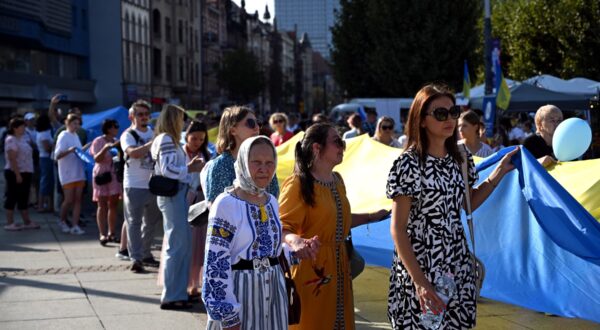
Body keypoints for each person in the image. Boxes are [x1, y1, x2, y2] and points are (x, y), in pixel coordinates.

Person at [386, 83, 518, 329]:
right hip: (420, 267)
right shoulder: (408, 164)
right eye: (440, 113)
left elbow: (468, 204)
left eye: (453, 111)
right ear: (422, 120)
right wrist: (420, 283)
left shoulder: (461, 158)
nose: (450, 119)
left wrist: (497, 174)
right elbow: (398, 229)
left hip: (457, 266)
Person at [278, 123, 388, 329]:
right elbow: (282, 227)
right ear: (317, 148)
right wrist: (296, 241)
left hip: (340, 267)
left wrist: (372, 217)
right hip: (312, 270)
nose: (343, 147)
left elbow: (339, 221)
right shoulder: (298, 184)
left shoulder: (337, 180)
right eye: (337, 142)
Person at [202, 136, 289, 329]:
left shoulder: (271, 202)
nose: (264, 169)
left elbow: (271, 252)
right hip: (240, 297)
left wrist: (296, 251)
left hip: (273, 295)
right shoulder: (226, 204)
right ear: (242, 162)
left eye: (269, 163)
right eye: (256, 162)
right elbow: (216, 262)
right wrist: (228, 314)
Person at [151, 104, 205, 310]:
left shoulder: (169, 140)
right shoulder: (165, 139)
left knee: (182, 245)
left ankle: (179, 292)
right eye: (181, 118)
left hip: (177, 194)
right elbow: (167, 169)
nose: (183, 123)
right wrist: (189, 168)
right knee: (177, 245)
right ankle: (172, 295)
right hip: (172, 194)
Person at [120, 99, 162, 272]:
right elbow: (133, 153)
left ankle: (146, 254)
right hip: (134, 185)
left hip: (152, 184)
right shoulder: (128, 134)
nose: (144, 117)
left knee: (150, 223)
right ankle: (136, 258)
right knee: (134, 223)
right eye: (140, 114)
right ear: (132, 116)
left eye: (146, 114)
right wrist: (151, 145)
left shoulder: (154, 133)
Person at [206, 106, 279, 203]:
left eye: (258, 123)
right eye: (250, 123)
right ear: (233, 130)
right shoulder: (220, 165)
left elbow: (273, 197)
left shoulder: (265, 160)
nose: (257, 127)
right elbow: (217, 208)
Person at [3, 117, 40, 231]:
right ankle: (10, 222)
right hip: (15, 172)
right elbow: (12, 158)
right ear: (15, 128)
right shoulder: (11, 140)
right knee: (12, 196)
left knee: (23, 197)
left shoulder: (23, 138)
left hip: (26, 171)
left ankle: (27, 221)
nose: (24, 128)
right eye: (22, 126)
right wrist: (17, 174)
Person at [90, 119, 122, 245]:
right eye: (115, 126)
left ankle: (112, 233)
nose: (117, 129)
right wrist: (104, 149)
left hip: (114, 174)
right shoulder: (98, 141)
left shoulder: (116, 141)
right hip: (102, 174)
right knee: (102, 204)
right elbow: (97, 159)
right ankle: (102, 234)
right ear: (108, 128)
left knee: (113, 205)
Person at [54, 114, 86, 235]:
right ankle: (62, 220)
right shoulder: (63, 135)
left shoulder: (76, 135)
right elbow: (57, 156)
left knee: (78, 200)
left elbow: (78, 151)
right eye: (74, 123)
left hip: (78, 172)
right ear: (67, 123)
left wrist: (86, 148)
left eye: (78, 124)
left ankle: (75, 224)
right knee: (68, 200)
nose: (76, 126)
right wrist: (70, 150)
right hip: (67, 173)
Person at [35, 114, 55, 212]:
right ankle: (41, 205)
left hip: (46, 158)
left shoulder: (43, 132)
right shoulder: (43, 134)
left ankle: (49, 205)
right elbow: (47, 148)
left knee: (49, 182)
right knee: (45, 181)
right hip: (45, 159)